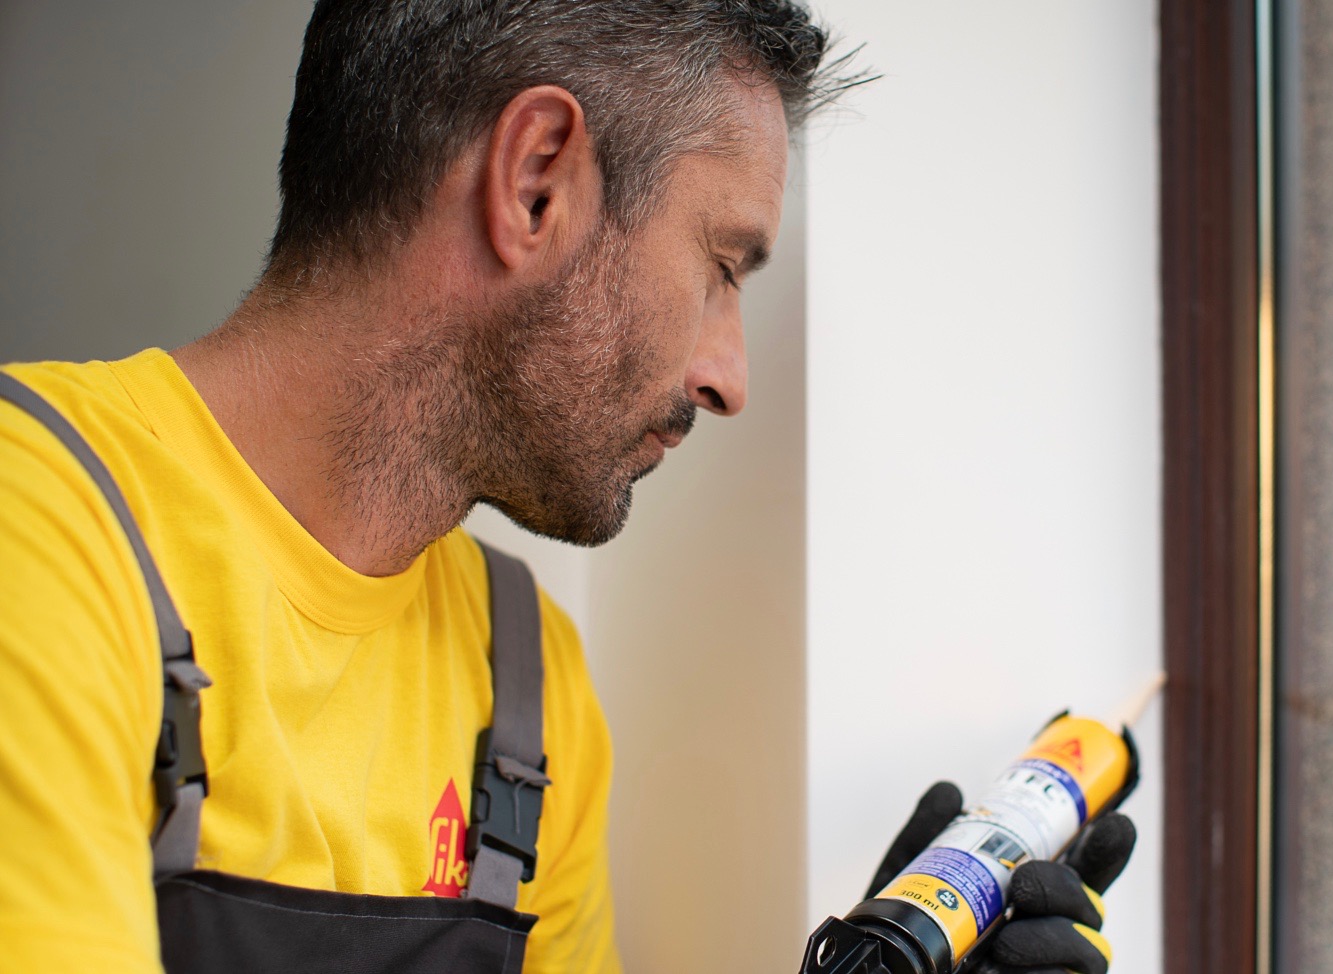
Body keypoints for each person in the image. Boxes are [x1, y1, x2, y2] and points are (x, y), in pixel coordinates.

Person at [0, 2, 1132, 972]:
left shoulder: (524, 679)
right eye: (720, 266)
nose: (727, 378)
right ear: (536, 181)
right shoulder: (41, 527)